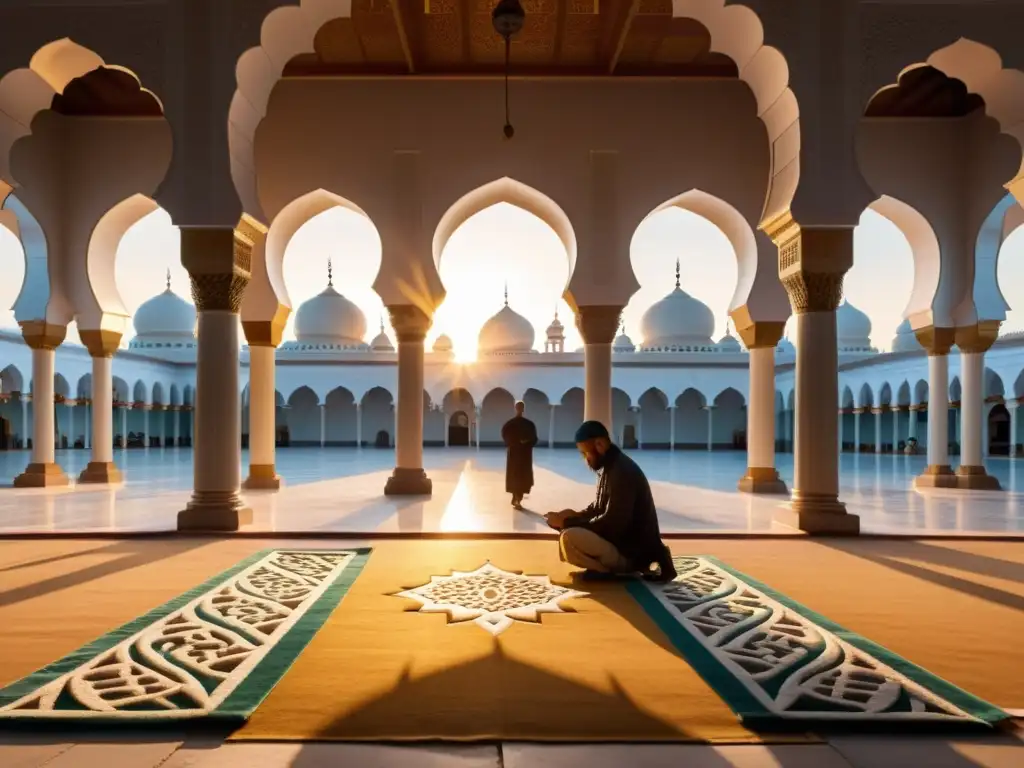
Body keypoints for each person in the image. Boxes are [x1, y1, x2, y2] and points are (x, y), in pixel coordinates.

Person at [545, 420, 676, 582]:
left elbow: (613, 524)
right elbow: (597, 508)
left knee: (569, 537)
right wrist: (572, 515)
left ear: (599, 445)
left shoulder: (621, 471)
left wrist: (569, 523)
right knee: (568, 532)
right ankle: (603, 570)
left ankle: (606, 572)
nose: (585, 459)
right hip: (621, 546)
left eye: (586, 453)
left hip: (630, 553)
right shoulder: (611, 467)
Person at [501, 400, 538, 510]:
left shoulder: (521, 424)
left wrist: (524, 442)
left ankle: (517, 498)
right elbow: (505, 436)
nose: (519, 409)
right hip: (517, 454)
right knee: (516, 476)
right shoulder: (513, 424)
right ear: (517, 408)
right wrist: (519, 442)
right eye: (519, 407)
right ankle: (516, 498)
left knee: (520, 476)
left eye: (520, 407)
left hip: (522, 454)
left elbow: (534, 438)